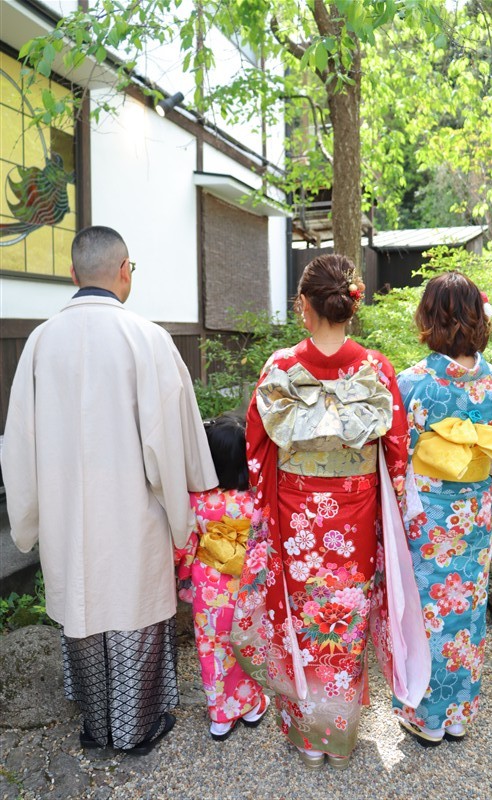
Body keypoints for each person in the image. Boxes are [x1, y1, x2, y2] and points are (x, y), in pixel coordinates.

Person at [2, 225, 218, 755]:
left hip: (66, 510)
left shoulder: (40, 342)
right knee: (133, 610)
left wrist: (28, 520)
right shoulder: (147, 337)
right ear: (124, 271)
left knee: (82, 604)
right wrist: (185, 508)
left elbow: (19, 442)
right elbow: (170, 439)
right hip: (131, 508)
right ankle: (134, 727)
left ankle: (97, 723)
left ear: (73, 274)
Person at [231, 254, 430, 770]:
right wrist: (393, 502)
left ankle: (307, 738)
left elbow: (257, 447)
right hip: (356, 517)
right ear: (349, 304)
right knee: (343, 621)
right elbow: (397, 450)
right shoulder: (376, 368)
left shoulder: (280, 367)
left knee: (302, 620)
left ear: (305, 305)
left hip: (295, 516)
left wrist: (266, 502)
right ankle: (338, 738)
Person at [392, 271, 492, 746]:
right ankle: (458, 714)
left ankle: (427, 717)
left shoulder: (413, 383)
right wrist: (485, 500)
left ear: (429, 318)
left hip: (426, 517)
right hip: (474, 516)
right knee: (466, 611)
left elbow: (395, 454)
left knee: (427, 613)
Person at [174, 413, 270, 740]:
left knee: (213, 648)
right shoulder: (257, 500)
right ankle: (252, 705)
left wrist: (184, 577)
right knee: (248, 644)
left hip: (210, 589)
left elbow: (187, 545)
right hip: (247, 586)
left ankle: (221, 716)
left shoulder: (196, 501)